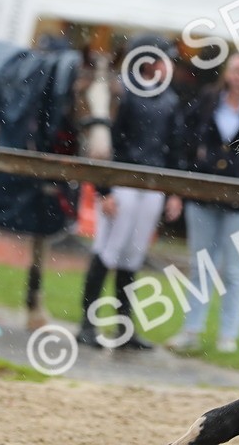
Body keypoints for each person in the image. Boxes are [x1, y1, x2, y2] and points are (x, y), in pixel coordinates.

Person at [77, 34, 182, 349]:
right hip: (122, 182)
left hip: (152, 187)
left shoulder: (170, 99)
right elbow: (106, 145)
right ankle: (87, 323)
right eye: (164, 59)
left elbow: (174, 149)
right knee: (107, 251)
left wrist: (174, 191)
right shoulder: (121, 93)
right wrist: (104, 189)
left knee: (132, 256)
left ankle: (123, 326)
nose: (169, 66)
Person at [166, 52, 239, 354]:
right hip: (203, 193)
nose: (238, 75)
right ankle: (191, 329)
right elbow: (184, 141)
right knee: (201, 265)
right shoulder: (207, 101)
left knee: (236, 270)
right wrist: (179, 188)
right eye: (234, 69)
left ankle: (228, 336)